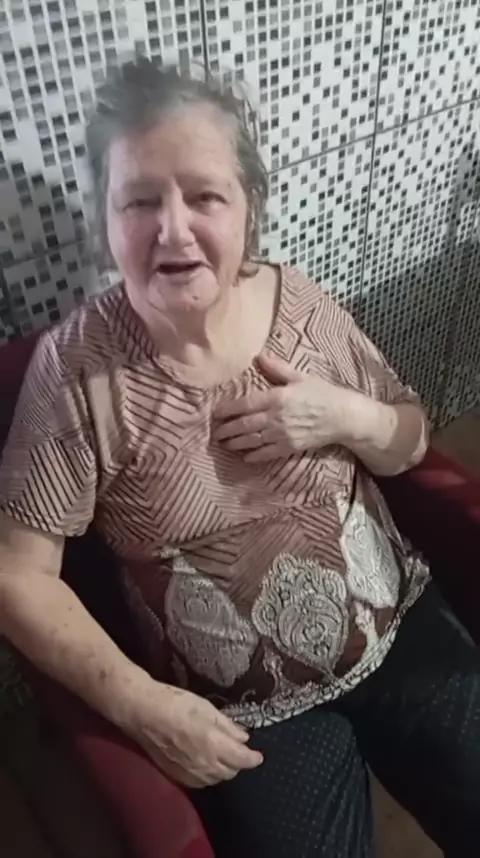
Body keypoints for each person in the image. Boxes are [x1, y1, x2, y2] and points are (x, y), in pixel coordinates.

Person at [0, 58, 478, 858]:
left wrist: (344, 415)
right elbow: (17, 576)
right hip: (250, 719)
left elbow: (409, 439)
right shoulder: (76, 372)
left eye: (205, 196)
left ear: (248, 206)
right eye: (140, 200)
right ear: (105, 219)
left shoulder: (300, 302)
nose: (173, 229)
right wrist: (142, 704)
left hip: (399, 629)